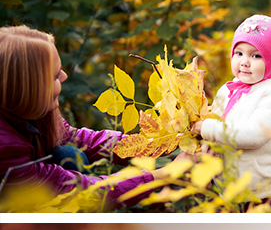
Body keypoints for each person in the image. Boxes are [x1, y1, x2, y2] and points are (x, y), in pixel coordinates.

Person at [0, 25, 157, 207]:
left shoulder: (31, 110)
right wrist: (161, 175)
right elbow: (81, 191)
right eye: (55, 76)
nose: (65, 76)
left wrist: (154, 144)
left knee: (67, 152)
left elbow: (82, 140)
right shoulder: (5, 145)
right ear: (27, 90)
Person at [192, 15, 271, 212]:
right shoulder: (228, 90)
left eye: (256, 56)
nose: (244, 62)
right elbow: (215, 123)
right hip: (228, 190)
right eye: (239, 53)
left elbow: (253, 136)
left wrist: (208, 129)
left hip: (263, 193)